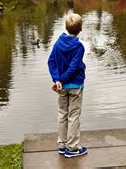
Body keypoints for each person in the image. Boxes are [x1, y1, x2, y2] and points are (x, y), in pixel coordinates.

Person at [47, 13, 88, 158]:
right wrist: (61, 80)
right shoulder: (79, 47)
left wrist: (57, 80)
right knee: (74, 115)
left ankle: (62, 145)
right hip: (75, 85)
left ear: (66, 27)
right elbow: (73, 67)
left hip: (61, 87)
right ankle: (72, 148)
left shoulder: (58, 42)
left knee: (62, 113)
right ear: (80, 29)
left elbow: (51, 62)